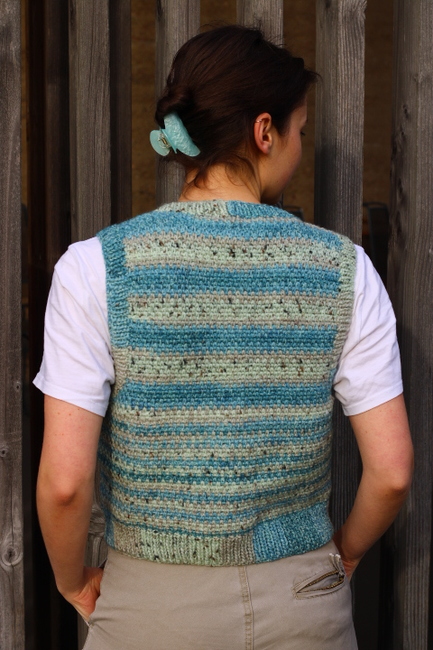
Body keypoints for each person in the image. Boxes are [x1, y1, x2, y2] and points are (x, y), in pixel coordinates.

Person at [35, 25, 413, 650]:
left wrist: (72, 581)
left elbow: (65, 484)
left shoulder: (96, 268)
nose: (299, 147)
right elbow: (393, 471)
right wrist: (340, 556)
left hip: (151, 610)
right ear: (265, 131)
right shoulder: (343, 269)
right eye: (299, 131)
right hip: (304, 602)